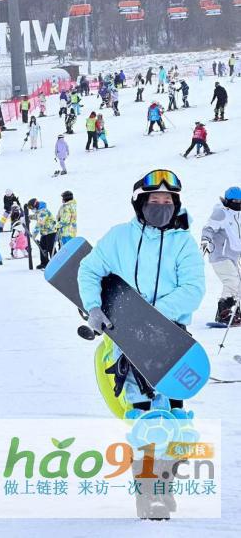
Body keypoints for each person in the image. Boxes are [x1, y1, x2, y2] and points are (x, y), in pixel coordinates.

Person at [77, 169, 204, 519]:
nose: (161, 206)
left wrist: (153, 314)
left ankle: (166, 485)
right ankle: (148, 496)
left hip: (171, 344)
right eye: (154, 201)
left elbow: (193, 289)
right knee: (146, 422)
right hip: (129, 345)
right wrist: (93, 306)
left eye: (167, 202)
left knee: (174, 422)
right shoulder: (118, 239)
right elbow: (89, 271)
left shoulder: (183, 243)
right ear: (140, 204)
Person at [201, 187, 241, 325]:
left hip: (234, 256)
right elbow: (208, 228)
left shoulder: (239, 213)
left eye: (240, 201)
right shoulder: (221, 213)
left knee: (238, 283)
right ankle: (224, 314)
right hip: (220, 255)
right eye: (235, 201)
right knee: (232, 281)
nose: (238, 203)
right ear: (227, 201)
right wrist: (206, 240)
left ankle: (235, 311)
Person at [33, 202, 58, 269]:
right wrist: (30, 217)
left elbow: (40, 223)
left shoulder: (43, 212)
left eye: (31, 208)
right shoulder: (40, 211)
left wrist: (34, 234)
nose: (32, 210)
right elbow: (37, 216)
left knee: (50, 247)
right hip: (44, 232)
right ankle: (44, 263)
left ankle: (55, 263)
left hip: (51, 232)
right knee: (42, 247)